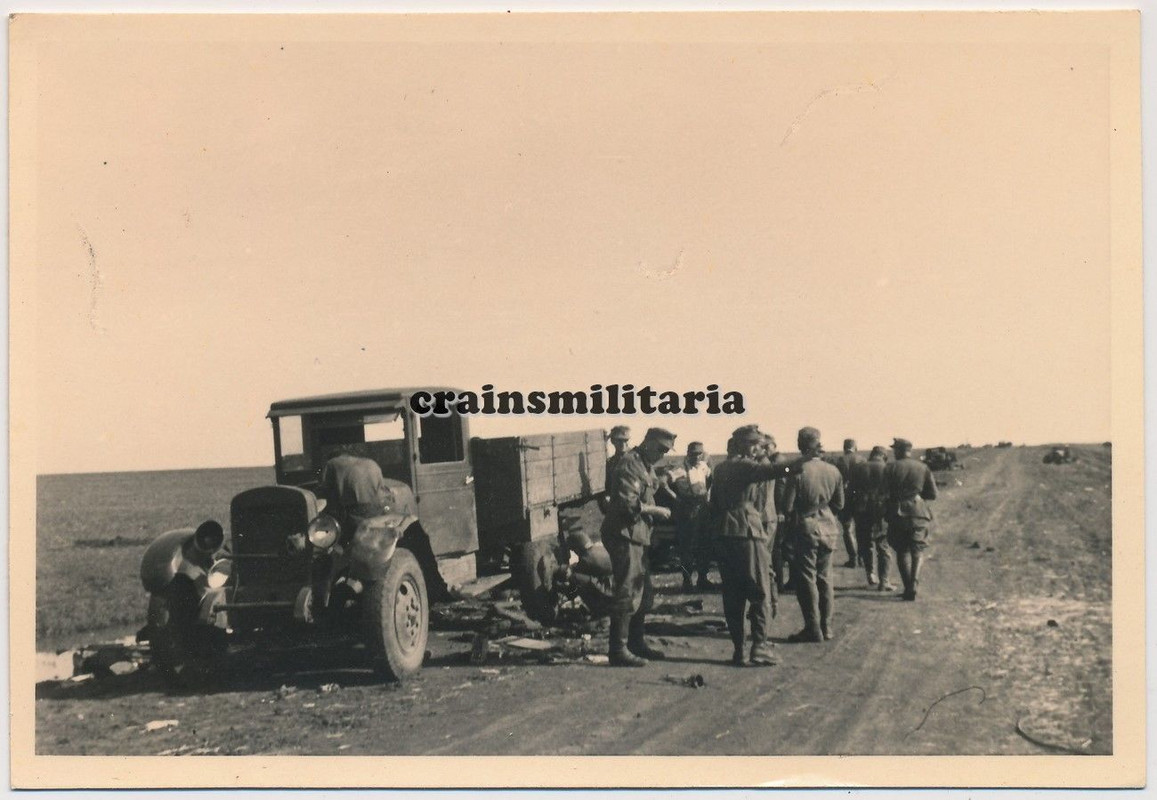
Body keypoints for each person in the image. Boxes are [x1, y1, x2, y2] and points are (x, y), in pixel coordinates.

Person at [709, 426, 797, 666]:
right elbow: (777, 470)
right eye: (752, 444)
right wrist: (801, 463)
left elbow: (714, 503)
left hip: (724, 532)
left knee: (733, 593)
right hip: (746, 531)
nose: (757, 448)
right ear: (739, 445)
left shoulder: (720, 468)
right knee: (760, 590)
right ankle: (759, 646)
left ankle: (739, 649)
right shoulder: (744, 466)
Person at [319, 449, 451, 599]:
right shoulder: (370, 465)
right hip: (377, 516)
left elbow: (326, 496)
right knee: (416, 538)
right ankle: (436, 589)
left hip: (352, 519)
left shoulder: (331, 466)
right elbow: (382, 495)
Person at [600, 427, 676, 666]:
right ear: (648, 443)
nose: (663, 454)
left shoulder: (645, 464)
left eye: (666, 451)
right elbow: (627, 504)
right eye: (661, 449)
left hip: (637, 535)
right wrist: (657, 510)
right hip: (624, 534)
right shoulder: (630, 464)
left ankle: (636, 643)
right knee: (627, 591)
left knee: (642, 592)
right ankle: (618, 650)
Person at [782, 427, 844, 643]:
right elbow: (840, 504)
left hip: (806, 529)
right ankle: (827, 627)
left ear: (800, 444)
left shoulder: (796, 470)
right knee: (825, 578)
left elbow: (788, 506)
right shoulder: (833, 470)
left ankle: (812, 628)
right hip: (828, 527)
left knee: (806, 579)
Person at [883, 437, 938, 601]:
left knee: (902, 551)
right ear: (910, 450)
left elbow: (883, 491)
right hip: (918, 512)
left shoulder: (890, 467)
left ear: (899, 451)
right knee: (917, 550)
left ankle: (908, 588)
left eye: (895, 450)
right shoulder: (923, 467)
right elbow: (933, 494)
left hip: (897, 513)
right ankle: (913, 585)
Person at [667, 441, 714, 591]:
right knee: (687, 547)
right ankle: (687, 581)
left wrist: (708, 495)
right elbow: (663, 483)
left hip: (703, 509)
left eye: (699, 453)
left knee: (704, 545)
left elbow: (710, 480)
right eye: (693, 454)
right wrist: (676, 498)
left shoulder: (704, 467)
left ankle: (703, 578)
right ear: (688, 454)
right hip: (687, 510)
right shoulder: (679, 469)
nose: (696, 456)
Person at [847, 445, 894, 591]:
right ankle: (884, 581)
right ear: (884, 456)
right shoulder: (887, 469)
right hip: (881, 511)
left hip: (862, 510)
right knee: (883, 545)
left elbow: (850, 491)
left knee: (866, 544)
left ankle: (870, 574)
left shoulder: (859, 468)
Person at [832, 439, 865, 568]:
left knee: (847, 529)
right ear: (855, 447)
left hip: (846, 497)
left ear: (844, 448)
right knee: (861, 529)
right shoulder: (862, 460)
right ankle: (862, 557)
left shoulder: (840, 461)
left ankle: (854, 558)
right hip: (861, 498)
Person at [598, 426, 632, 515]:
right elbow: (608, 485)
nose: (623, 444)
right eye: (620, 441)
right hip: (616, 507)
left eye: (625, 441)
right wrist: (606, 497)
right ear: (613, 441)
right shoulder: (611, 463)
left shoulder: (635, 459)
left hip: (633, 505)